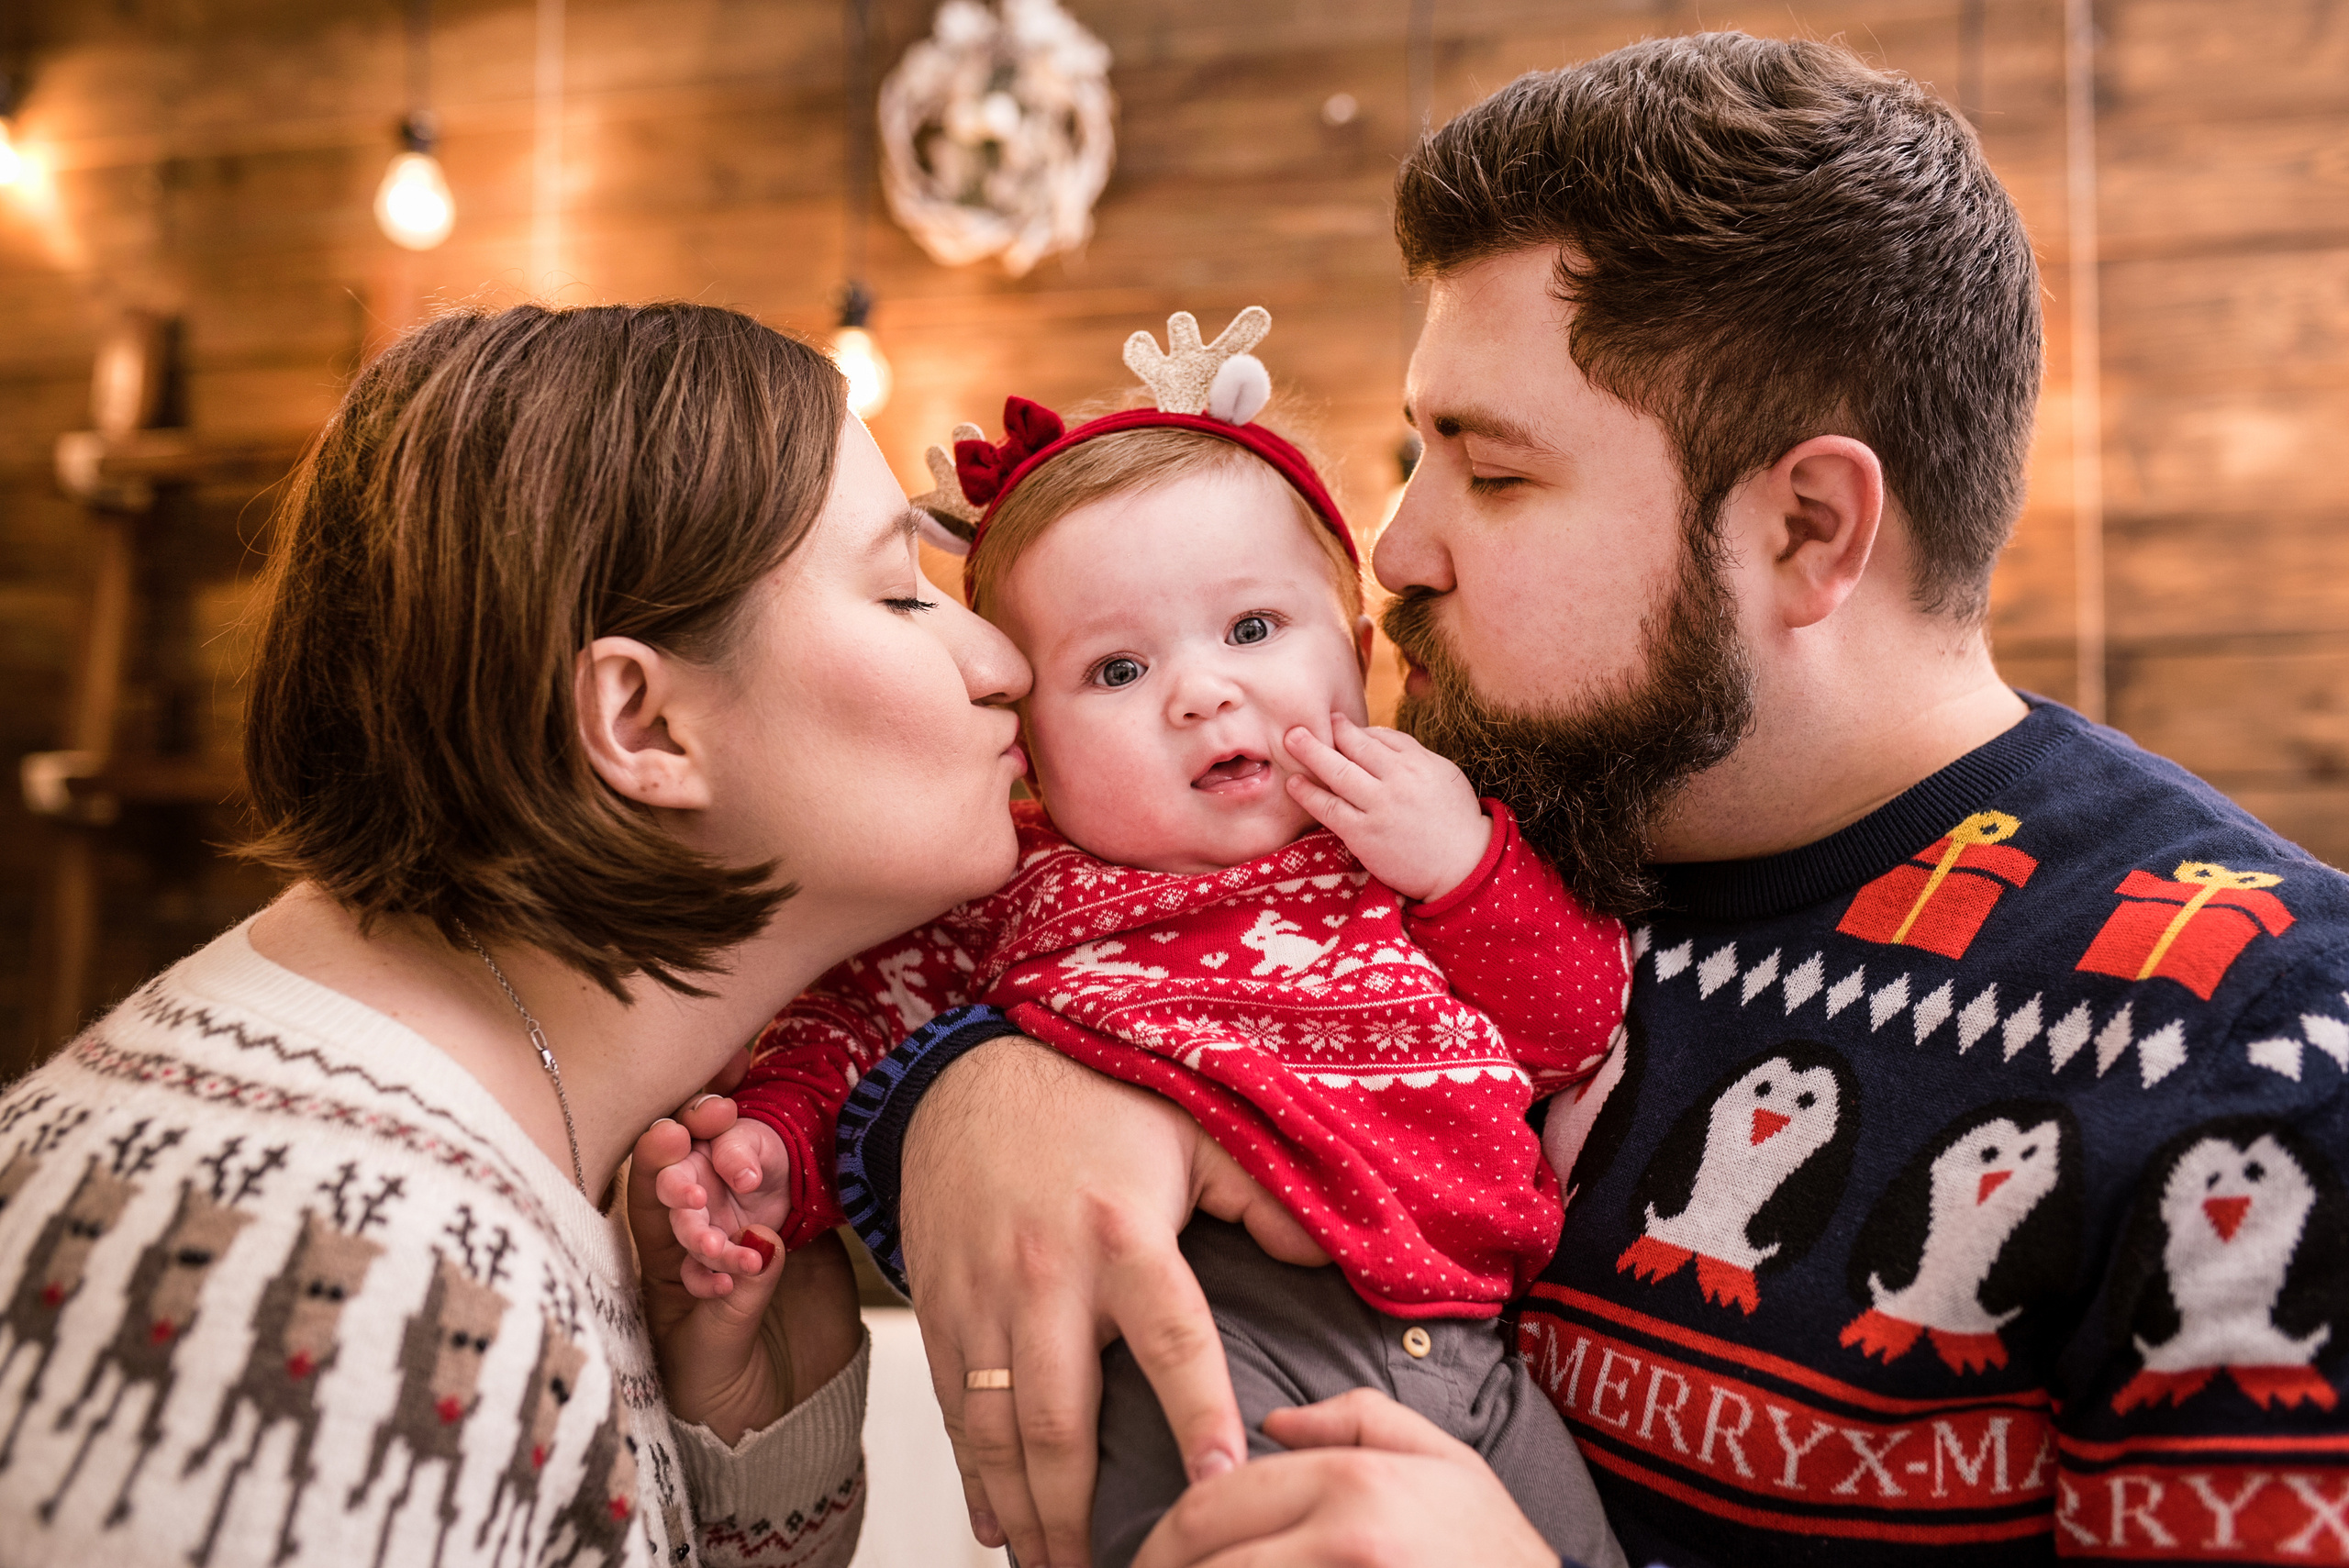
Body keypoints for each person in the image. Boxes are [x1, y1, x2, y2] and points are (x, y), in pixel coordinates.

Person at [823, 32, 2349, 1568]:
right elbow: (1065, 959)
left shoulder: (2260, 1052)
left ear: (1808, 529)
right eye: (1416, 456)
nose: (1394, 550)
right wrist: (978, 1093)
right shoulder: (1452, 829)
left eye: (1491, 476)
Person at [0, 300, 1032, 1566]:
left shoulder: (510, 1148)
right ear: (644, 725)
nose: (1002, 661)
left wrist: (754, 1476)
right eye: (900, 593)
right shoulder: (328, 1320)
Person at [649, 313, 1629, 1568]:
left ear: (1363, 655)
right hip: (1216, 1329)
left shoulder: (1417, 835)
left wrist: (1462, 864)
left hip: (1484, 1348)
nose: (1201, 691)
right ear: (1033, 749)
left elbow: (1574, 1024)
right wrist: (776, 1153)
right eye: (1117, 670)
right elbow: (853, 1022)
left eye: (1254, 630)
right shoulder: (1025, 886)